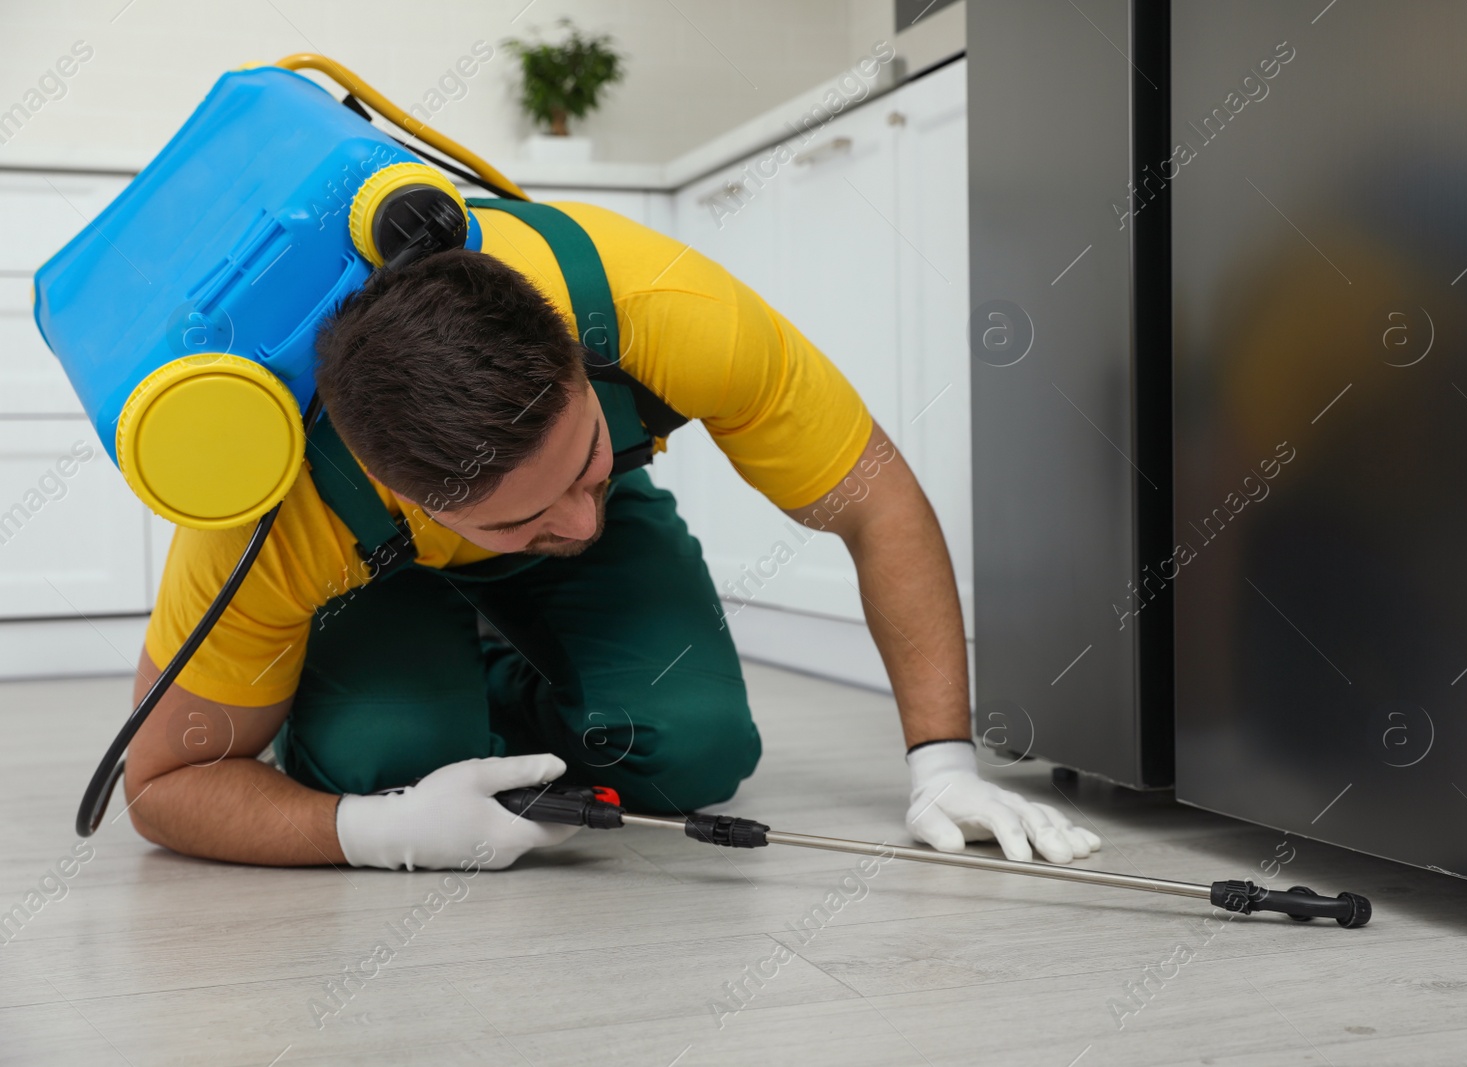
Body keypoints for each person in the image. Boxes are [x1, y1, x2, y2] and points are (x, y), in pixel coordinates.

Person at [123, 202, 1101, 871]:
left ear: (576, 360)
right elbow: (162, 784)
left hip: (501, 491)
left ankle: (487, 670)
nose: (582, 525)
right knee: (393, 754)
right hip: (370, 574)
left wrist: (944, 763)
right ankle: (386, 703)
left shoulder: (665, 310)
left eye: (589, 454)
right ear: (399, 483)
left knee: (691, 749)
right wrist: (372, 830)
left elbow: (879, 504)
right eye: (523, 512)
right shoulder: (275, 511)